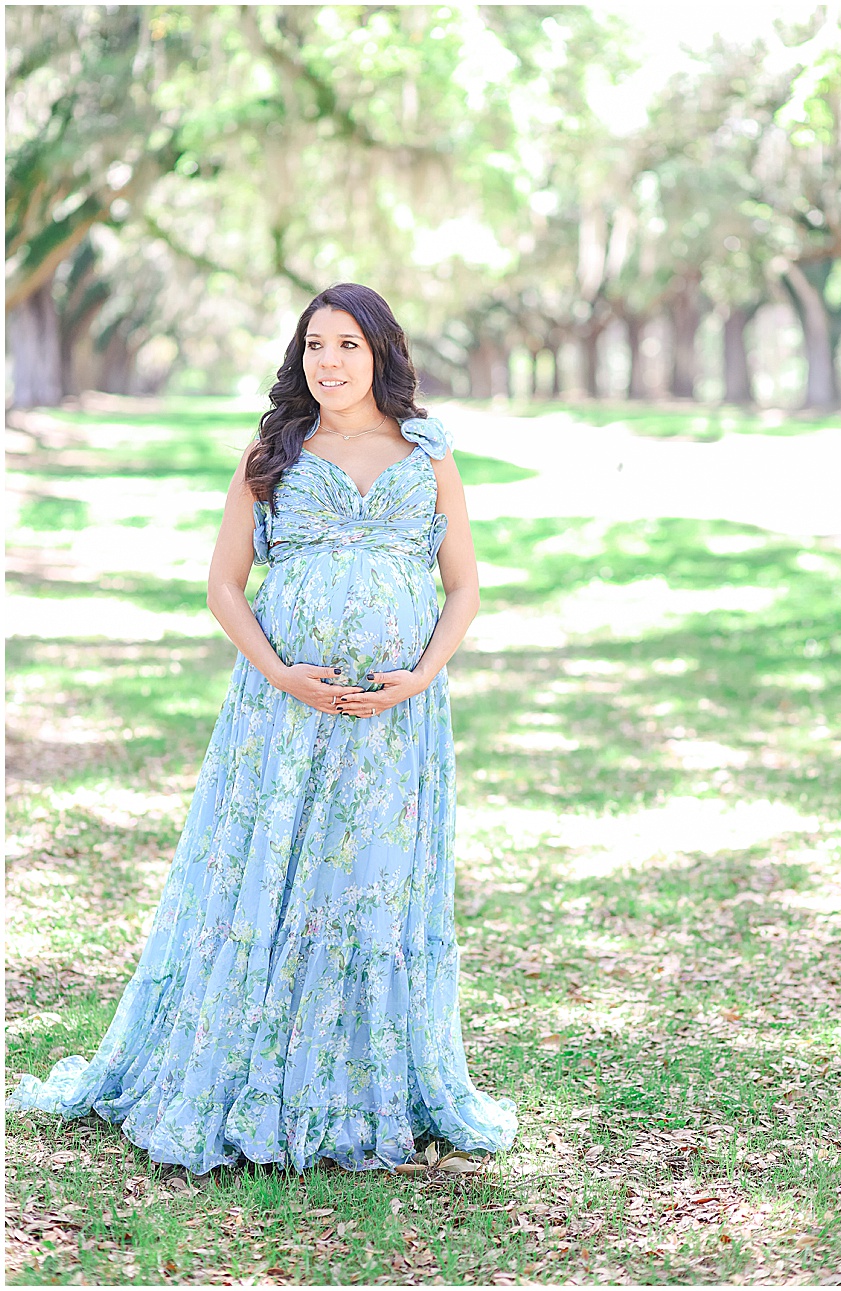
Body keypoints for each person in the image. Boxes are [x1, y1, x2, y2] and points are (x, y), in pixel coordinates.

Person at [6, 282, 519, 1176]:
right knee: (273, 874)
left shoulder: (428, 454)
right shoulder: (273, 451)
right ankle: (252, 1071)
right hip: (280, 712)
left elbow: (465, 585)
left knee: (369, 882)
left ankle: (364, 1087)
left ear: (382, 353)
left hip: (395, 722)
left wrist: (420, 676)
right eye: (315, 343)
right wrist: (279, 671)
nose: (329, 361)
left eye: (348, 344)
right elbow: (222, 586)